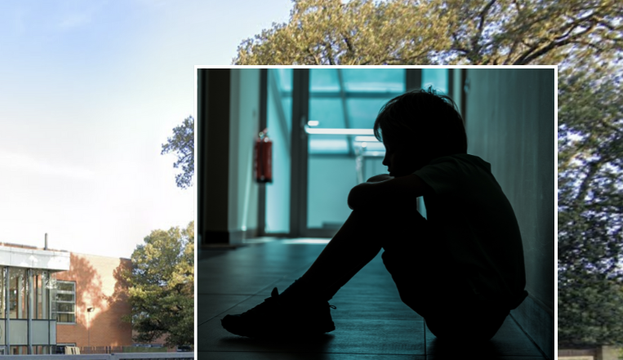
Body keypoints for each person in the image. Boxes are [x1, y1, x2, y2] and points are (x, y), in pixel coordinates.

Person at [221, 88, 527, 343]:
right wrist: (385, 185)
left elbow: (359, 198)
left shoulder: (454, 169)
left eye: (392, 150)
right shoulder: (464, 171)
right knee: (387, 203)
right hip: (475, 317)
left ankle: (298, 303)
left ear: (423, 144)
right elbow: (384, 189)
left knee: (382, 209)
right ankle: (303, 303)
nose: (384, 159)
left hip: (467, 314)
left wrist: (379, 188)